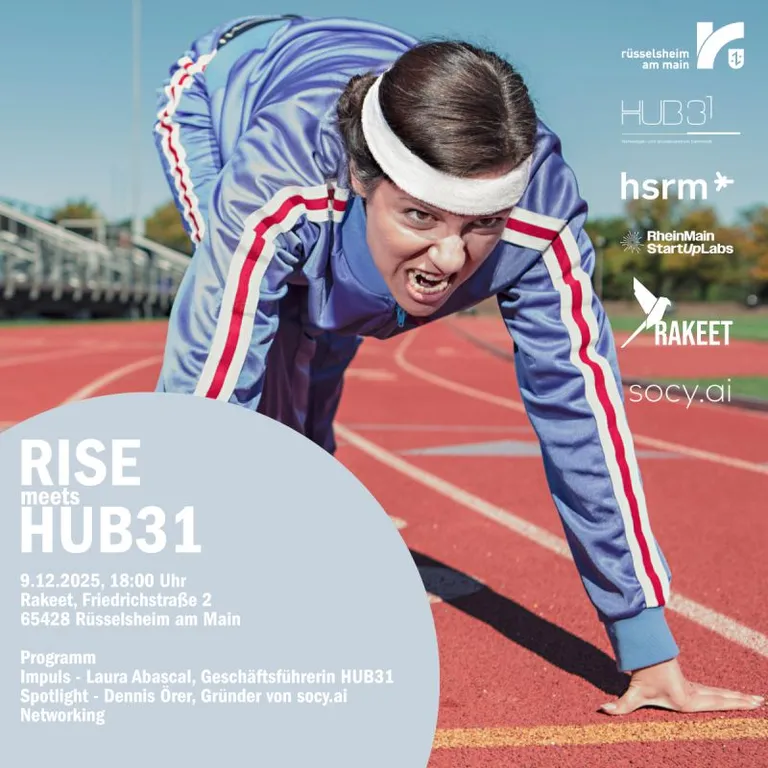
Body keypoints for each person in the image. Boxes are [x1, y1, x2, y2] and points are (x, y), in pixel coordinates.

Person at [153, 13, 763, 715]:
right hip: (225, 88)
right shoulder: (278, 182)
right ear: (362, 176)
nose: (449, 259)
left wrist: (647, 646)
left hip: (365, 124)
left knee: (333, 327)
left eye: (480, 224)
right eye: (421, 216)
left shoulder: (542, 219)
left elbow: (583, 415)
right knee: (280, 344)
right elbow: (203, 402)